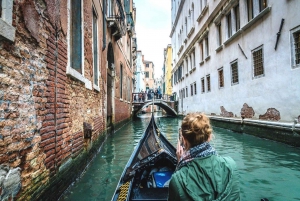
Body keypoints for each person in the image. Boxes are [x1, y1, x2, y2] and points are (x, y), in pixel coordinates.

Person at [168, 113, 240, 201]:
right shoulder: (231, 165)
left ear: (184, 140)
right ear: (209, 137)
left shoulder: (177, 180)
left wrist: (179, 165)